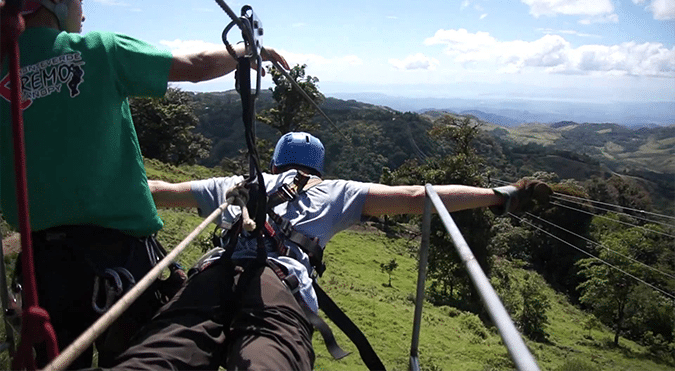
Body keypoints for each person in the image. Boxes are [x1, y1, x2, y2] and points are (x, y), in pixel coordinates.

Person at [0, 0, 289, 368]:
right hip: (122, 261)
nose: (84, 13)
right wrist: (249, 49)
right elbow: (197, 64)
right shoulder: (100, 49)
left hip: (44, 271)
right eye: (81, 0)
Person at [100, 132, 552, 371]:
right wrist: (499, 194)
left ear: (275, 164)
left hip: (211, 275)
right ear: (318, 169)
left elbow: (158, 189)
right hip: (279, 287)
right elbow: (420, 197)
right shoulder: (337, 191)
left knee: (160, 353)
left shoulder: (237, 184)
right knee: (272, 358)